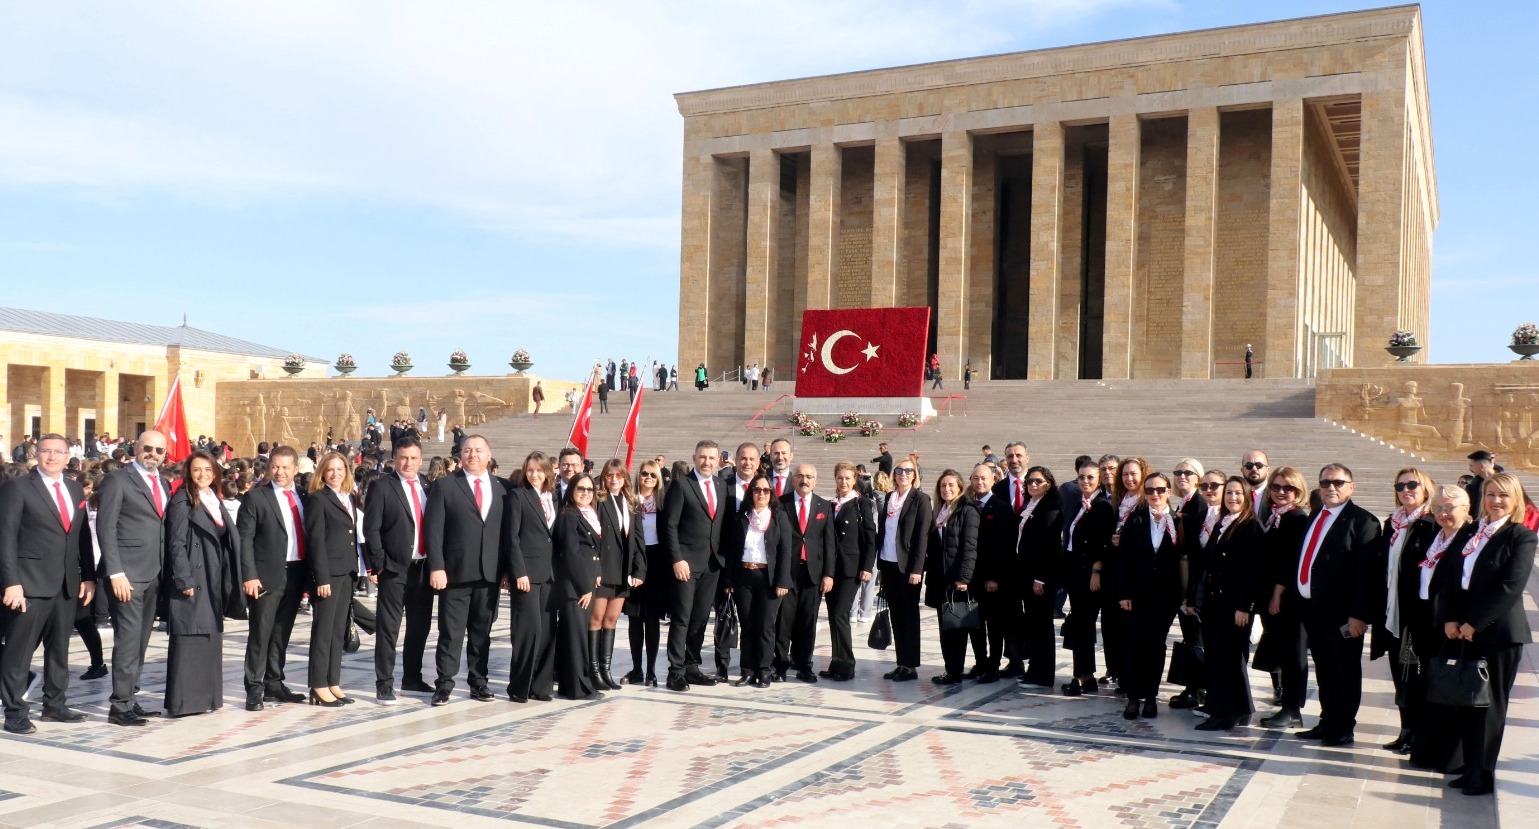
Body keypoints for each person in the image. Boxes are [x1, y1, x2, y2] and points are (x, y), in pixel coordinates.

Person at [1437, 472, 1535, 796]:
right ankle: (1468, 767)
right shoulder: (1471, 532)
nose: (1496, 501)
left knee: (1489, 705)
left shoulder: (1521, 537)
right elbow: (1450, 576)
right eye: (1491, 494)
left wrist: (1474, 623)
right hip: (1463, 630)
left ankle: (1482, 773)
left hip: (1498, 634)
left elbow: (1509, 587)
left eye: (1503, 495)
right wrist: (1450, 619)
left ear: (1515, 500)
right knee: (1468, 701)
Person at [0, 434, 96, 734]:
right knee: (19, 651)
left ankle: (55, 704)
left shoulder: (74, 488)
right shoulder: (18, 487)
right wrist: (11, 582)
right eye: (46, 451)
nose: (52, 456)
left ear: (68, 457)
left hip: (66, 583)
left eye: (58, 452)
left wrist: (89, 576)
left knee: (59, 648)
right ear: (36, 454)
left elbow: (81, 536)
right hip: (29, 583)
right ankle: (15, 710)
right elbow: (5, 537)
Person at [1290, 463, 1382, 747]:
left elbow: (1366, 575)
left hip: (1343, 615)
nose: (1331, 487)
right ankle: (1327, 721)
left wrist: (1358, 615)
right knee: (1325, 669)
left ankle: (1343, 727)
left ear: (1351, 487)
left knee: (1344, 670)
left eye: (1338, 483)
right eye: (1325, 483)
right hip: (1314, 610)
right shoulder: (1317, 515)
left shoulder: (1363, 521)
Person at [96, 429, 171, 726]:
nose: (153, 454)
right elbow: (106, 528)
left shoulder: (163, 483)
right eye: (148, 448)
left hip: (154, 574)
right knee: (127, 639)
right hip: (126, 575)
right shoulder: (117, 480)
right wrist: (115, 572)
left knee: (140, 640)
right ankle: (119, 705)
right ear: (136, 448)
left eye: (159, 450)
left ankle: (130, 697)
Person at [424, 434, 504, 706]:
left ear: (488, 455)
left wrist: (507, 570)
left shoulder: (502, 488)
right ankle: (444, 684)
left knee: (482, 633)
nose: (473, 455)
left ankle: (479, 682)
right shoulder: (445, 485)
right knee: (451, 632)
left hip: (489, 574)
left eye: (479, 450)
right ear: (460, 455)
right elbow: (434, 530)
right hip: (455, 573)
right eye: (468, 450)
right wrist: (437, 566)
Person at [163, 451, 241, 717]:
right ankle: (185, 702)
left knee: (209, 635)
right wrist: (183, 578)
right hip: (194, 576)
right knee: (191, 634)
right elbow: (176, 543)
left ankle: (207, 697)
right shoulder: (182, 500)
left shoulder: (212, 498)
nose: (203, 475)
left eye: (208, 470)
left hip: (212, 574)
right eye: (197, 470)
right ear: (188, 472)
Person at [1402, 485, 1474, 772]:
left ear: (1466, 509)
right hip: (1426, 621)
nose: (1443, 513)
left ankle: (1449, 756)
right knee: (1430, 687)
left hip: (1450, 625)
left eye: (1450, 508)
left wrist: (1455, 618)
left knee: (1449, 691)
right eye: (1438, 508)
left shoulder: (1470, 538)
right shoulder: (1437, 536)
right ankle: (1426, 750)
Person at [362, 435, 434, 702]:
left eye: (413, 458)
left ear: (421, 459)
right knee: (389, 628)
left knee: (419, 626)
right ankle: (384, 682)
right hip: (393, 568)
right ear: (394, 459)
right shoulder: (383, 487)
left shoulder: (428, 486)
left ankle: (412, 678)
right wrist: (379, 565)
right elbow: (371, 529)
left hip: (423, 568)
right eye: (403, 458)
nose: (408, 463)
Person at [238, 446, 308, 711]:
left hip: (296, 573)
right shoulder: (256, 497)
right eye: (276, 466)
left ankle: (274, 683)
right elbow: (245, 539)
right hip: (265, 576)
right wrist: (249, 575)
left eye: (285, 467)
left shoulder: (304, 497)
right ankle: (254, 688)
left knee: (281, 632)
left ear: (295, 469)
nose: (280, 472)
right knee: (261, 632)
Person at [1194, 476, 1264, 731]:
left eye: (1238, 493)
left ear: (1247, 498)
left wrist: (1244, 606)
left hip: (1235, 606)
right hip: (1216, 603)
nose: (1233, 498)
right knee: (1218, 656)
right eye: (1229, 493)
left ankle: (1224, 714)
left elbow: (1252, 573)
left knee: (1227, 658)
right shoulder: (1223, 523)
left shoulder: (1250, 526)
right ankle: (1234, 708)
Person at [1372, 467, 1435, 751]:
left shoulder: (1431, 524)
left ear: (1425, 489)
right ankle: (1406, 729)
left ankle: (1420, 733)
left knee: (1415, 674)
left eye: (1412, 485)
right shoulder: (1393, 523)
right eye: (1400, 486)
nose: (1406, 490)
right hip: (1393, 611)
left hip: (1416, 616)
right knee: (1400, 674)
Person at [661, 440, 726, 691]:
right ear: (694, 458)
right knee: (682, 618)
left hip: (712, 564)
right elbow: (669, 525)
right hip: (686, 564)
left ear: (718, 460)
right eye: (702, 457)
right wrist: (677, 559)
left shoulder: (721, 485)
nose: (707, 462)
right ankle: (675, 672)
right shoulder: (681, 485)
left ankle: (691, 666)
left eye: (711, 458)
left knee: (700, 618)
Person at [1116, 472, 1182, 719]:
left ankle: (1151, 696)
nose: (1155, 494)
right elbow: (1123, 559)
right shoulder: (1135, 519)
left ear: (1168, 492)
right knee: (1134, 644)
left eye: (1160, 490)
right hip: (1136, 595)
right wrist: (1124, 593)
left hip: (1165, 597)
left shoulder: (1178, 521)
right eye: (1150, 490)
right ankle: (1133, 697)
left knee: (1156, 645)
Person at [723, 473, 792, 688]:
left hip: (768, 578)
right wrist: (729, 580)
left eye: (766, 490)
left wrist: (782, 581)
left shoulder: (779, 516)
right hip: (744, 575)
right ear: (751, 492)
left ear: (771, 494)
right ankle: (747, 670)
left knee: (765, 626)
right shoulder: (742, 516)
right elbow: (732, 550)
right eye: (757, 489)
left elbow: (785, 551)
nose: (761, 494)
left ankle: (764, 670)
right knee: (747, 625)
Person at [302, 452, 360, 707]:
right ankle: (318, 684)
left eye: (340, 469)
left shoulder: (349, 497)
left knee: (338, 631)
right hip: (329, 575)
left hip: (347, 572)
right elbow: (315, 541)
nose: (336, 474)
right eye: (330, 470)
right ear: (322, 473)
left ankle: (332, 681)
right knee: (323, 632)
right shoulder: (318, 499)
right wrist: (321, 578)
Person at [1257, 466, 1313, 728]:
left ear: (1297, 490)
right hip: (1275, 595)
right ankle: (1288, 707)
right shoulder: (1277, 516)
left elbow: (1290, 562)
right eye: (1276, 487)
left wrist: (1277, 595)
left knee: (1293, 654)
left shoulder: (1296, 518)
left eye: (1287, 488)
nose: (1281, 492)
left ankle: (1292, 709)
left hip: (1288, 599)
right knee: (1284, 651)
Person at [503, 452, 558, 703]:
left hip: (550, 574)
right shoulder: (518, 496)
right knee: (528, 630)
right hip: (527, 573)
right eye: (530, 470)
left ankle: (541, 686)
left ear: (547, 472)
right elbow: (512, 538)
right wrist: (519, 572)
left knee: (546, 632)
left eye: (539, 470)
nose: (534, 474)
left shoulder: (553, 497)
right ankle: (519, 687)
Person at [775, 463, 834, 683]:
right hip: (787, 572)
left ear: (815, 481)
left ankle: (804, 665)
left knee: (808, 622)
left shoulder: (823, 505)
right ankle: (780, 664)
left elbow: (829, 543)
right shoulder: (781, 503)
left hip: (812, 573)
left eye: (809, 476)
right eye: (800, 476)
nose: (804, 480)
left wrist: (828, 574)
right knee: (784, 621)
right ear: (793, 479)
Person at [1061, 460, 1113, 696]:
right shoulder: (1079, 503)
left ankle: (1083, 676)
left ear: (1099, 479)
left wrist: (1096, 570)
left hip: (1090, 575)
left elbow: (1103, 543)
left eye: (1090, 477)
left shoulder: (1102, 506)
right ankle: (1084, 675)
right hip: (1075, 574)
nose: (1085, 481)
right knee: (1079, 625)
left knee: (1083, 625)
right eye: (1081, 477)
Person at [592, 459, 644, 690]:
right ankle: (593, 671)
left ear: (625, 478)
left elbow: (638, 539)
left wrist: (639, 569)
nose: (614, 480)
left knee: (611, 620)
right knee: (596, 619)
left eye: (619, 475)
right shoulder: (598, 500)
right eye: (609, 475)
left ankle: (606, 670)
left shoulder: (631, 503)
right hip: (603, 569)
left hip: (623, 570)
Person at [878, 457, 931, 681]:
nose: (903, 474)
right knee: (896, 615)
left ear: (914, 474)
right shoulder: (890, 497)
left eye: (908, 471)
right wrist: (880, 565)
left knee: (908, 616)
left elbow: (922, 537)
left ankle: (910, 665)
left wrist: (917, 569)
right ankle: (901, 662)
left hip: (908, 567)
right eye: (899, 470)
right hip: (888, 563)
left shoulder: (921, 499)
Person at [821, 462, 875, 681]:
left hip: (851, 568)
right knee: (833, 616)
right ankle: (836, 662)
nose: (843, 482)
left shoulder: (861, 503)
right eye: (840, 478)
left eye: (847, 478)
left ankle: (847, 665)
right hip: (831, 568)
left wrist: (867, 566)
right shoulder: (830, 504)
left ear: (854, 480)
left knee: (840, 614)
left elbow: (870, 537)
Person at [925, 469, 978, 684]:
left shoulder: (967, 510)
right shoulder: (940, 510)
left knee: (956, 627)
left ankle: (955, 671)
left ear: (960, 487)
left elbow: (970, 547)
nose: (946, 489)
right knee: (945, 626)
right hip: (940, 578)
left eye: (951, 485)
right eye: (943, 485)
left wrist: (964, 578)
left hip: (957, 580)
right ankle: (950, 669)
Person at [716, 442, 762, 680]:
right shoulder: (722, 486)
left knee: (750, 619)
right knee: (724, 614)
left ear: (758, 462)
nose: (747, 463)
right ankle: (722, 666)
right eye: (743, 458)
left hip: (752, 562)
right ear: (736, 460)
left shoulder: (764, 489)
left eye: (752, 459)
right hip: (723, 558)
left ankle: (751, 666)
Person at [1014, 465, 1062, 687]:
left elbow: (1049, 546)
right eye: (1030, 481)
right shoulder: (1031, 504)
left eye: (1038, 481)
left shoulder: (1050, 508)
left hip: (1040, 578)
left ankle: (1043, 674)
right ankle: (1034, 669)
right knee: (1034, 624)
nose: (1033, 485)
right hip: (1026, 574)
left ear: (1048, 485)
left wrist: (1040, 578)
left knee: (1042, 625)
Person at [623, 460, 669, 686]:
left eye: (653, 474)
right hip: (634, 562)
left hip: (656, 563)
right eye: (644, 473)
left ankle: (651, 671)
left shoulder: (663, 503)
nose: (648, 478)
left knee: (651, 619)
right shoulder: (629, 501)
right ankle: (636, 669)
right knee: (634, 618)